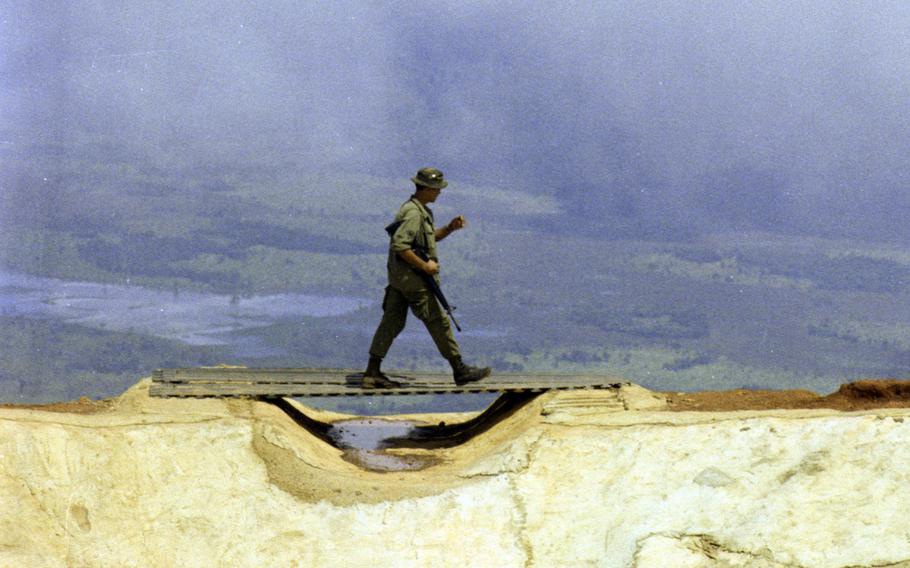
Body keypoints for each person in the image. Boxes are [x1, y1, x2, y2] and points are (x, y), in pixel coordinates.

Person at [363, 167, 492, 388]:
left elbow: (427, 240)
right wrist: (425, 266)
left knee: (391, 323)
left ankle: (372, 372)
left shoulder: (416, 210)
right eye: (437, 189)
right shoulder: (414, 214)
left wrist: (450, 228)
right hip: (414, 282)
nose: (439, 193)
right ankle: (459, 370)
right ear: (427, 189)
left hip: (400, 281)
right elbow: (400, 245)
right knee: (438, 321)